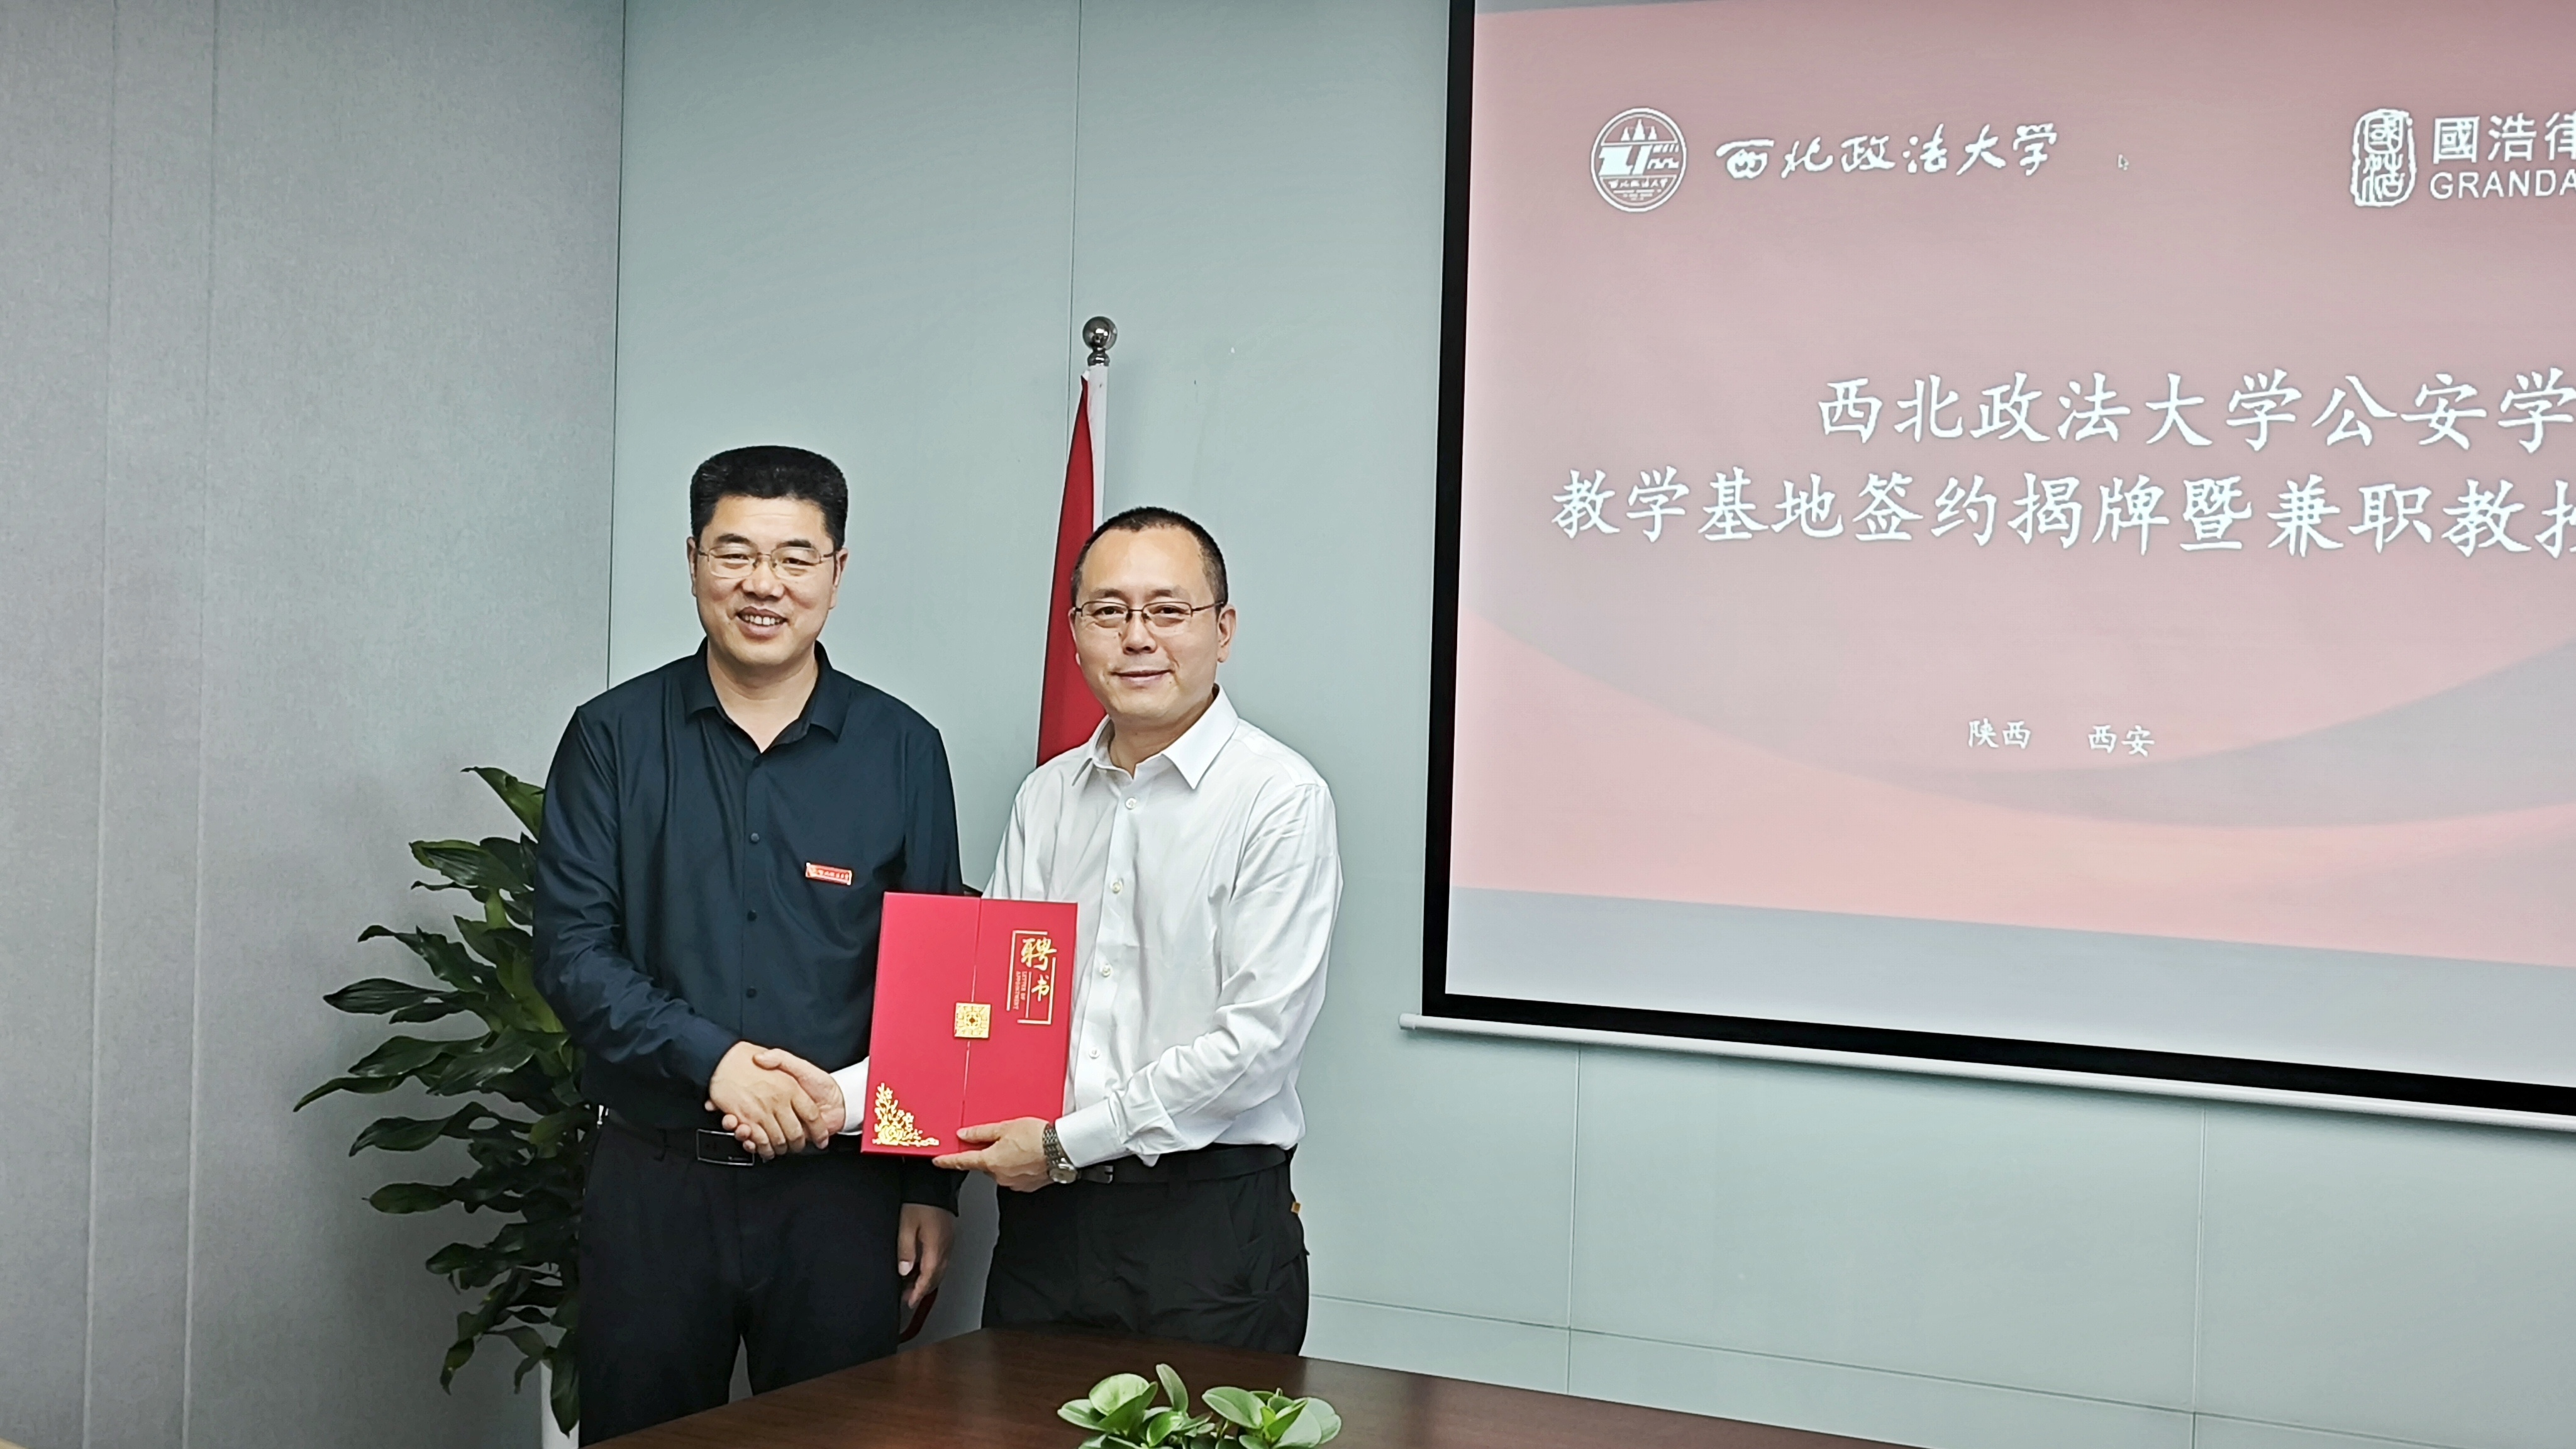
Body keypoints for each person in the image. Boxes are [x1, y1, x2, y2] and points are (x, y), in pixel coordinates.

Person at [532, 445, 962, 1442]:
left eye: (795, 557)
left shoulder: (904, 749)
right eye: (735, 553)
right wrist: (716, 1061)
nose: (764, 584)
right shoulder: (611, 737)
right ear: (693, 561)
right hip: (654, 1184)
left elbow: (938, 982)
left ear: (837, 574)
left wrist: (929, 1186)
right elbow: (572, 952)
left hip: (840, 1196)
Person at [931, 505, 1341, 1352]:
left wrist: (1064, 1144)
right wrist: (839, 1098)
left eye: (1168, 610)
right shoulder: (1047, 797)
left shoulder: (1279, 798)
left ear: (1223, 630)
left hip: (1206, 1234)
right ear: (1075, 633)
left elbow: (1256, 1046)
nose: (1138, 637)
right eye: (1109, 611)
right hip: (1047, 1228)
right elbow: (994, 1011)